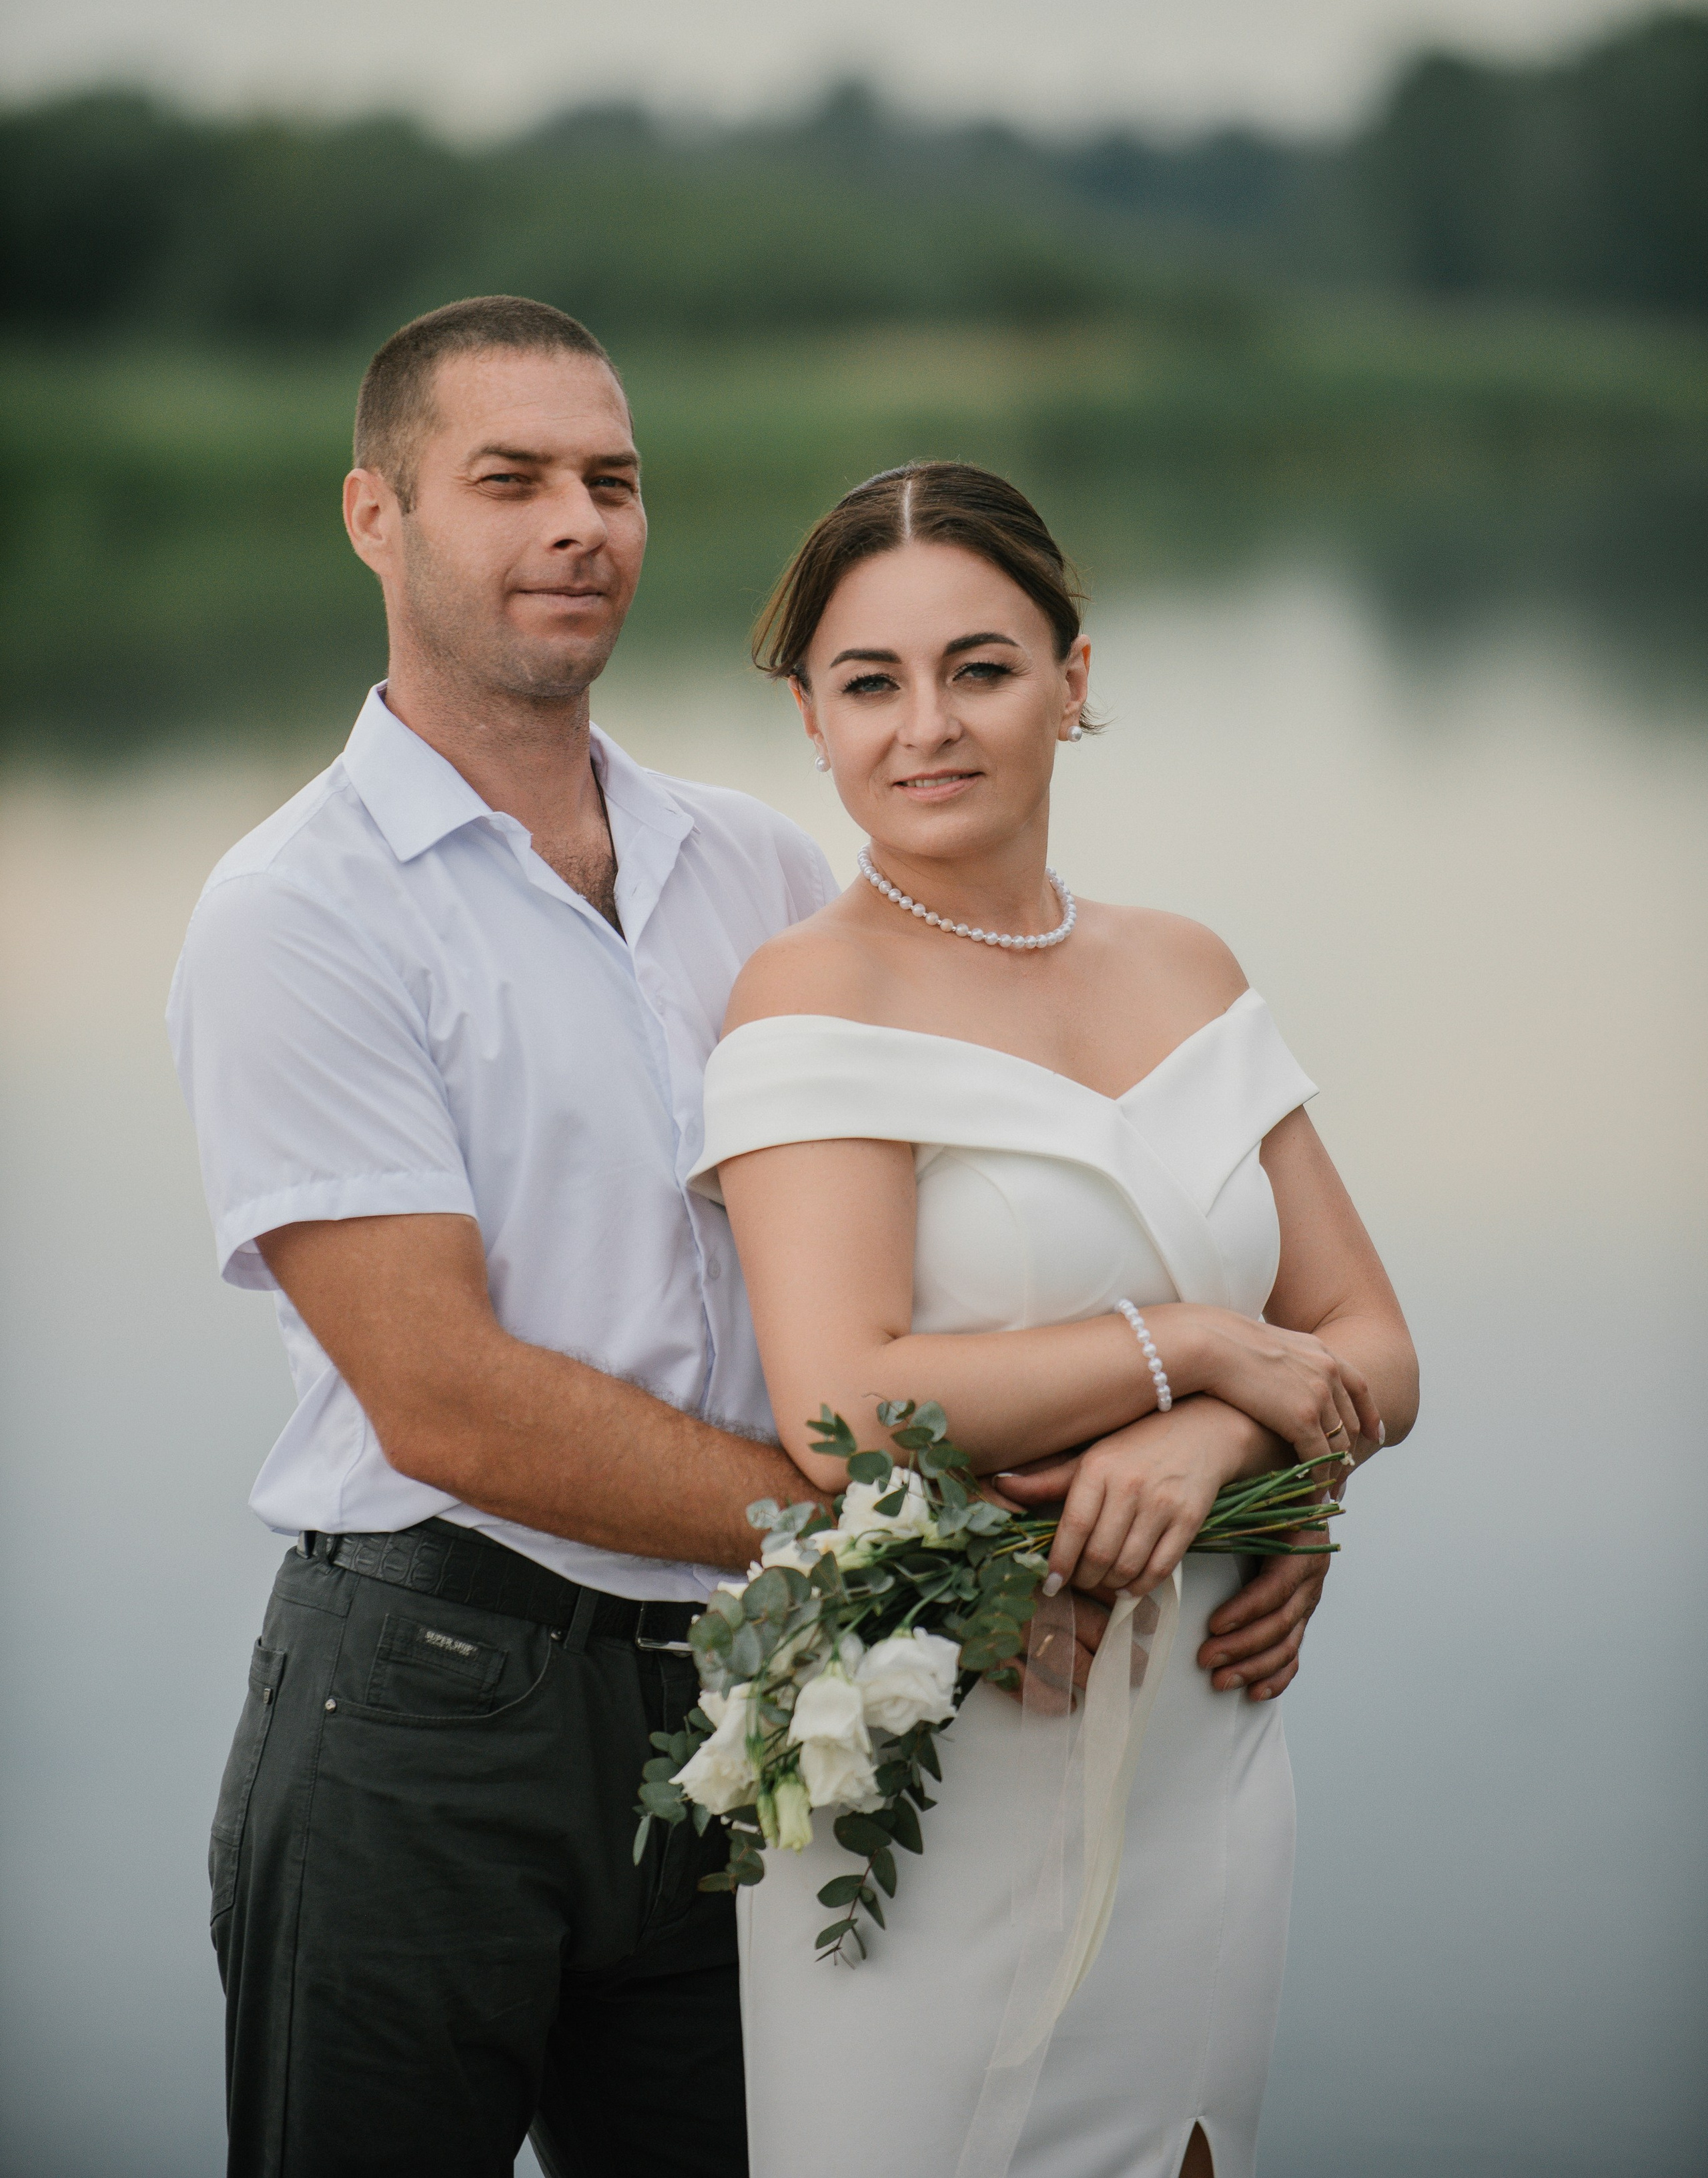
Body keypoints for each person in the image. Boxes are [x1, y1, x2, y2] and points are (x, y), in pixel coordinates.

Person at [166, 295, 848, 2178]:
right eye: (513, 479)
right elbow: (445, 1400)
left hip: (746, 1701)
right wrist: (887, 1542)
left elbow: (884, 1270)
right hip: (425, 1711)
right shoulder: (296, 912)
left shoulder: (764, 867)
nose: (583, 523)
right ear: (375, 517)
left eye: (614, 480)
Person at [688, 461, 1420, 2178]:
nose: (925, 725)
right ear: (810, 715)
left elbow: (1374, 1343)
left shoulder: (1185, 965)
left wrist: (1224, 1433)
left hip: (1203, 1736)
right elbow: (845, 1409)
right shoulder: (809, 992)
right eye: (868, 682)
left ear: (1072, 680)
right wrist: (1207, 1342)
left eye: (982, 666)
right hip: (949, 1759)